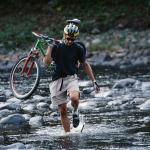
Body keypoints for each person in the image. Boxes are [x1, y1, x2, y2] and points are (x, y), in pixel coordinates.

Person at [43, 20, 100, 133]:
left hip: (71, 78)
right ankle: (67, 135)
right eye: (68, 38)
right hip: (56, 80)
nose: (69, 41)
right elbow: (46, 63)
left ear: (75, 38)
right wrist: (49, 47)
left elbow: (85, 64)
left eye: (72, 39)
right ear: (64, 35)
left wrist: (94, 81)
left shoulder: (78, 48)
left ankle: (75, 112)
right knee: (63, 111)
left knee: (74, 98)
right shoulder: (56, 46)